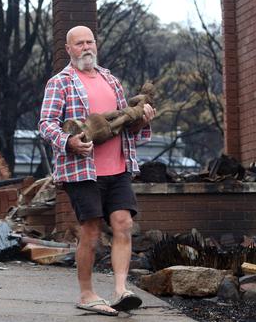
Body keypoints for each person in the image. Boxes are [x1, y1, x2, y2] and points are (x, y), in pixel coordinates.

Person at [39, 26, 155, 316]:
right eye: (79, 44)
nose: (86, 47)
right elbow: (46, 124)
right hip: (82, 171)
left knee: (123, 224)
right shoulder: (60, 82)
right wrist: (69, 142)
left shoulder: (111, 80)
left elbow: (127, 129)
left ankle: (120, 290)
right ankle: (87, 293)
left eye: (89, 42)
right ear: (69, 49)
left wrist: (142, 120)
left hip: (118, 167)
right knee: (90, 231)